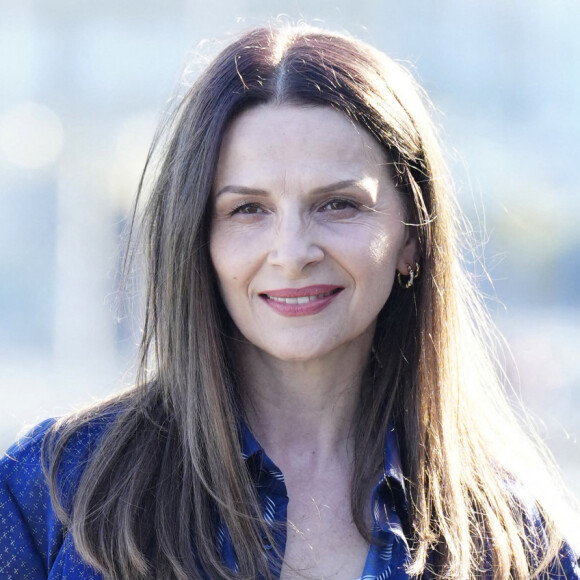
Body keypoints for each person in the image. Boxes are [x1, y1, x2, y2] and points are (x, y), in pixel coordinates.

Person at [1, 24, 579, 580]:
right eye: (248, 209)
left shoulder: (513, 542)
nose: (293, 252)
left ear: (412, 234)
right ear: (197, 238)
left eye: (338, 205)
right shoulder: (53, 489)